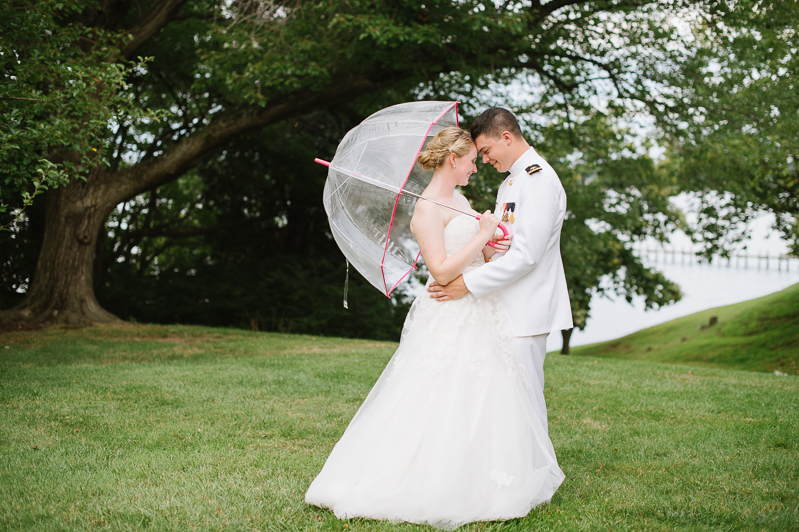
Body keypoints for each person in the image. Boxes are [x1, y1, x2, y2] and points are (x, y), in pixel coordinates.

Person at [305, 127, 564, 530]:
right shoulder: (425, 208)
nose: (477, 167)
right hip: (452, 309)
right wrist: (480, 234)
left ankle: (489, 471)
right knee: (441, 392)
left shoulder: (459, 200)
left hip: (480, 307)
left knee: (488, 391)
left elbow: (478, 253)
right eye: (472, 160)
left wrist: (491, 242)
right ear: (452, 159)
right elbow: (441, 270)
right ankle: (425, 477)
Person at [427, 108, 573, 433]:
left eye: (487, 151)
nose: (486, 161)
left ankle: (537, 477)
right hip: (504, 306)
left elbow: (527, 256)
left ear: (506, 137)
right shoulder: (511, 182)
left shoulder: (538, 180)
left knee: (526, 400)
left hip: (527, 307)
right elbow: (511, 244)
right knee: (507, 401)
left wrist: (467, 283)